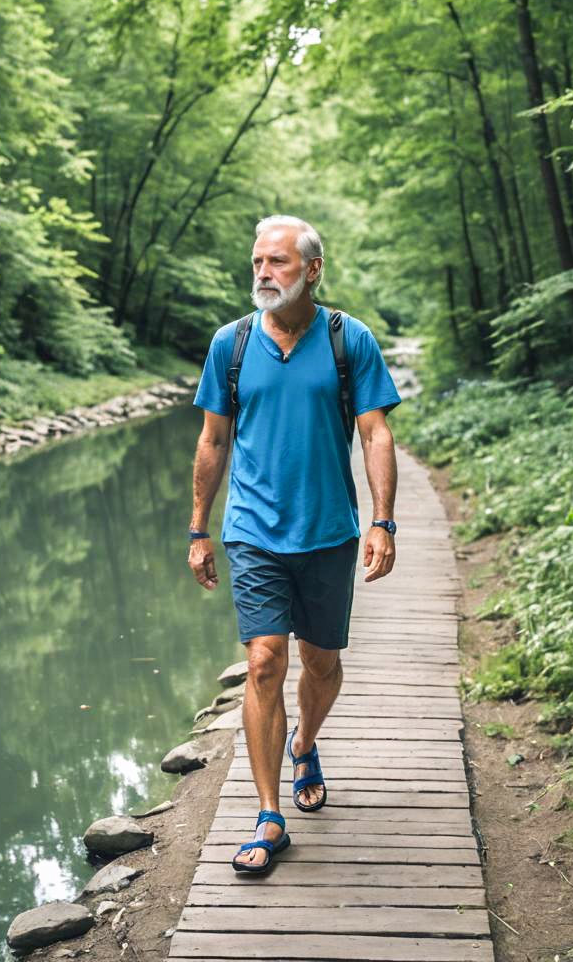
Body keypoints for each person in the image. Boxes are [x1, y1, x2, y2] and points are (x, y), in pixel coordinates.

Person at [187, 215, 401, 873]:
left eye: (277, 262)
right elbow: (213, 440)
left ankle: (305, 740)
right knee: (263, 662)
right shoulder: (231, 343)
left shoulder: (348, 340)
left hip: (329, 530)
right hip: (252, 529)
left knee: (323, 663)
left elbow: (374, 434)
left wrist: (383, 520)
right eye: (257, 262)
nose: (262, 273)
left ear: (312, 269)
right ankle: (268, 815)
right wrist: (199, 529)